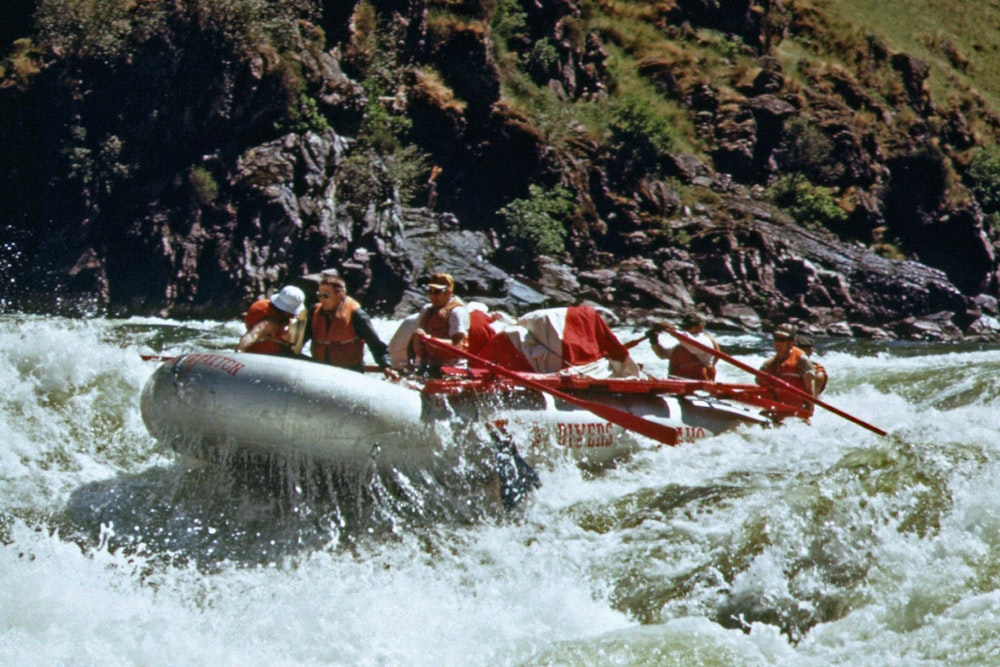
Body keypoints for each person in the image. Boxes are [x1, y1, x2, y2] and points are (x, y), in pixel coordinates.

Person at [299, 270, 397, 378]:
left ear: (340, 295)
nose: (321, 299)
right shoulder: (314, 312)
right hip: (320, 369)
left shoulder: (357, 315)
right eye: (319, 295)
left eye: (325, 296)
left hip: (349, 371)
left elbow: (376, 345)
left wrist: (386, 366)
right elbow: (302, 339)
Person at [411, 272, 470, 376]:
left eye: (437, 292)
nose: (433, 295)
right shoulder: (427, 310)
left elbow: (457, 347)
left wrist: (430, 340)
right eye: (430, 291)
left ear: (448, 292)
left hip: (452, 368)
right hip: (428, 366)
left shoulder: (457, 312)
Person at [648, 311, 719, 381]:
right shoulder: (683, 344)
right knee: (679, 349)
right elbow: (663, 354)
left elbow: (693, 347)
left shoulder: (705, 340)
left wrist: (672, 331)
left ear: (700, 326)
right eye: (685, 326)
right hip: (678, 380)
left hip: (700, 380)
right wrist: (654, 341)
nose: (686, 329)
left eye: (690, 326)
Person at [236, 285, 306, 355]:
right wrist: (239, 352)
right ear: (284, 309)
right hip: (259, 354)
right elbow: (253, 335)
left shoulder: (283, 317)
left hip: (278, 354)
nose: (294, 314)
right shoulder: (269, 322)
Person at [759, 323, 817, 405]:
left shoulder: (802, 360)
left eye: (782, 340)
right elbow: (759, 383)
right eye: (776, 339)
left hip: (794, 411)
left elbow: (810, 391)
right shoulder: (768, 364)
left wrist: (807, 413)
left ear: (791, 342)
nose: (778, 343)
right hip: (772, 409)